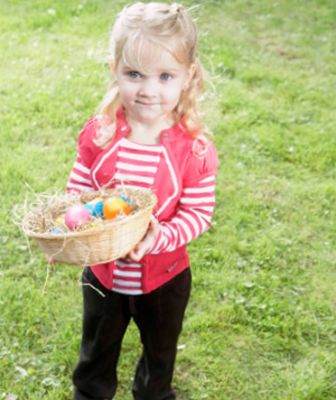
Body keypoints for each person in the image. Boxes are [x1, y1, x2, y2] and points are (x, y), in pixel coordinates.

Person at [66, 2, 218, 399]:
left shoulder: (194, 149)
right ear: (114, 70)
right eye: (134, 74)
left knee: (159, 356)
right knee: (96, 353)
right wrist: (72, 223)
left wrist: (159, 238)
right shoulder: (101, 133)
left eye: (165, 76)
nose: (149, 90)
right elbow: (80, 184)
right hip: (103, 277)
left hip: (164, 280)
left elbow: (199, 214)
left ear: (188, 77)